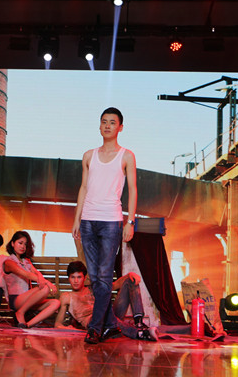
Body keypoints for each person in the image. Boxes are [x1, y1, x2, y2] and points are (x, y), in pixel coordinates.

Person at [71, 107, 137, 344]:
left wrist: (130, 221)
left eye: (112, 122)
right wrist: (77, 219)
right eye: (104, 122)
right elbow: (83, 188)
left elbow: (133, 190)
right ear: (99, 126)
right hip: (88, 221)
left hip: (111, 221)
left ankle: (95, 328)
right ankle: (110, 325)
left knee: (104, 276)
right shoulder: (89, 155)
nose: (108, 126)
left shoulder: (127, 156)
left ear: (120, 127)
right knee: (97, 278)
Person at [54, 261, 157, 341]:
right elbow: (57, 324)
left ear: (84, 278)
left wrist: (129, 275)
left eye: (79, 277)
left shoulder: (93, 288)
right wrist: (70, 329)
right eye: (73, 277)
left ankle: (139, 323)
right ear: (69, 278)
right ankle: (139, 333)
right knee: (102, 315)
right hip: (94, 322)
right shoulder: (66, 296)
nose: (76, 281)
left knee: (129, 280)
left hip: (110, 315)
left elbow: (115, 285)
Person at [3, 231, 60, 328]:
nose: (23, 247)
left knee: (56, 303)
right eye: (20, 243)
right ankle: (20, 312)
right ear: (12, 243)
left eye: (25, 244)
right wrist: (48, 283)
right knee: (45, 288)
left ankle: (28, 325)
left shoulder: (26, 261)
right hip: (16, 300)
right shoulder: (9, 262)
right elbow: (27, 274)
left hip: (28, 301)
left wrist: (41, 277)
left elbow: (36, 272)